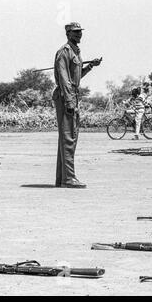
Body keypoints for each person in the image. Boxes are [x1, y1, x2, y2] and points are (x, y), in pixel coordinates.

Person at [52, 22, 101, 188]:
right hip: (66, 96)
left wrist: (90, 66)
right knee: (69, 138)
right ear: (68, 34)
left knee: (66, 138)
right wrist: (70, 101)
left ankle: (62, 178)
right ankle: (69, 179)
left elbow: (76, 77)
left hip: (71, 94)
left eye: (80, 32)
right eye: (75, 32)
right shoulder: (64, 52)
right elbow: (65, 79)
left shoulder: (76, 52)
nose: (79, 34)